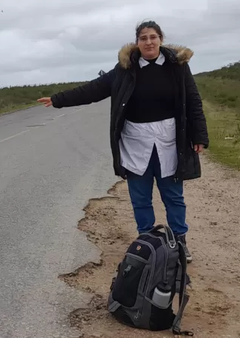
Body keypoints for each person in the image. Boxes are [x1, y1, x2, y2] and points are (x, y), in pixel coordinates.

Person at [37, 20, 208, 263]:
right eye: (143, 38)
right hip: (135, 143)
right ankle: (147, 243)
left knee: (173, 196)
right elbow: (93, 90)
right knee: (140, 198)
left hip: (169, 141)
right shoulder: (125, 69)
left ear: (161, 39)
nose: (148, 42)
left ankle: (180, 242)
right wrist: (57, 99)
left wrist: (199, 135)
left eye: (153, 37)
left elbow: (193, 101)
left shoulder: (177, 67)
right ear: (137, 42)